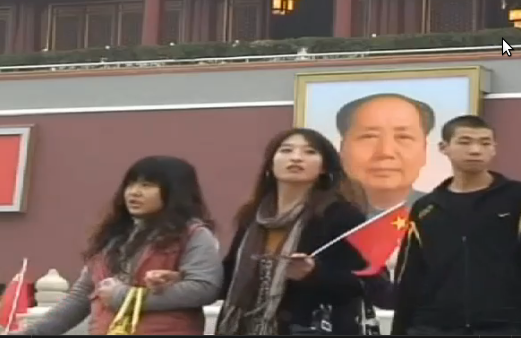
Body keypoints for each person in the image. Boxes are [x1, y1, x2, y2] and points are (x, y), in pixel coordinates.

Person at [14, 156, 223, 335]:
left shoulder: (194, 235)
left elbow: (204, 288)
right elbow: (80, 298)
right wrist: (32, 334)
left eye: (147, 185)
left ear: (175, 191)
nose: (134, 192)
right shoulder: (114, 237)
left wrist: (123, 297)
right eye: (131, 184)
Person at [214, 127, 394, 335]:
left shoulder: (341, 216)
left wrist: (313, 273)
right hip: (244, 327)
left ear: (324, 168)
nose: (296, 158)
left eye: (309, 152)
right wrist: (187, 277)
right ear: (270, 165)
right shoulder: (252, 216)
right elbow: (230, 274)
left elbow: (363, 284)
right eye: (286, 150)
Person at [392, 116, 521, 335]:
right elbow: (410, 275)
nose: (475, 150)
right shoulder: (426, 207)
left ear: (494, 149)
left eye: (485, 143)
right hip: (433, 327)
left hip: (504, 327)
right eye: (465, 141)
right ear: (444, 148)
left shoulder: (515, 197)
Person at [336, 93, 436, 218]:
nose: (385, 152)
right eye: (369, 137)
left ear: (424, 150)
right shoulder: (315, 215)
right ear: (342, 149)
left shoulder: (445, 214)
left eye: (403, 137)